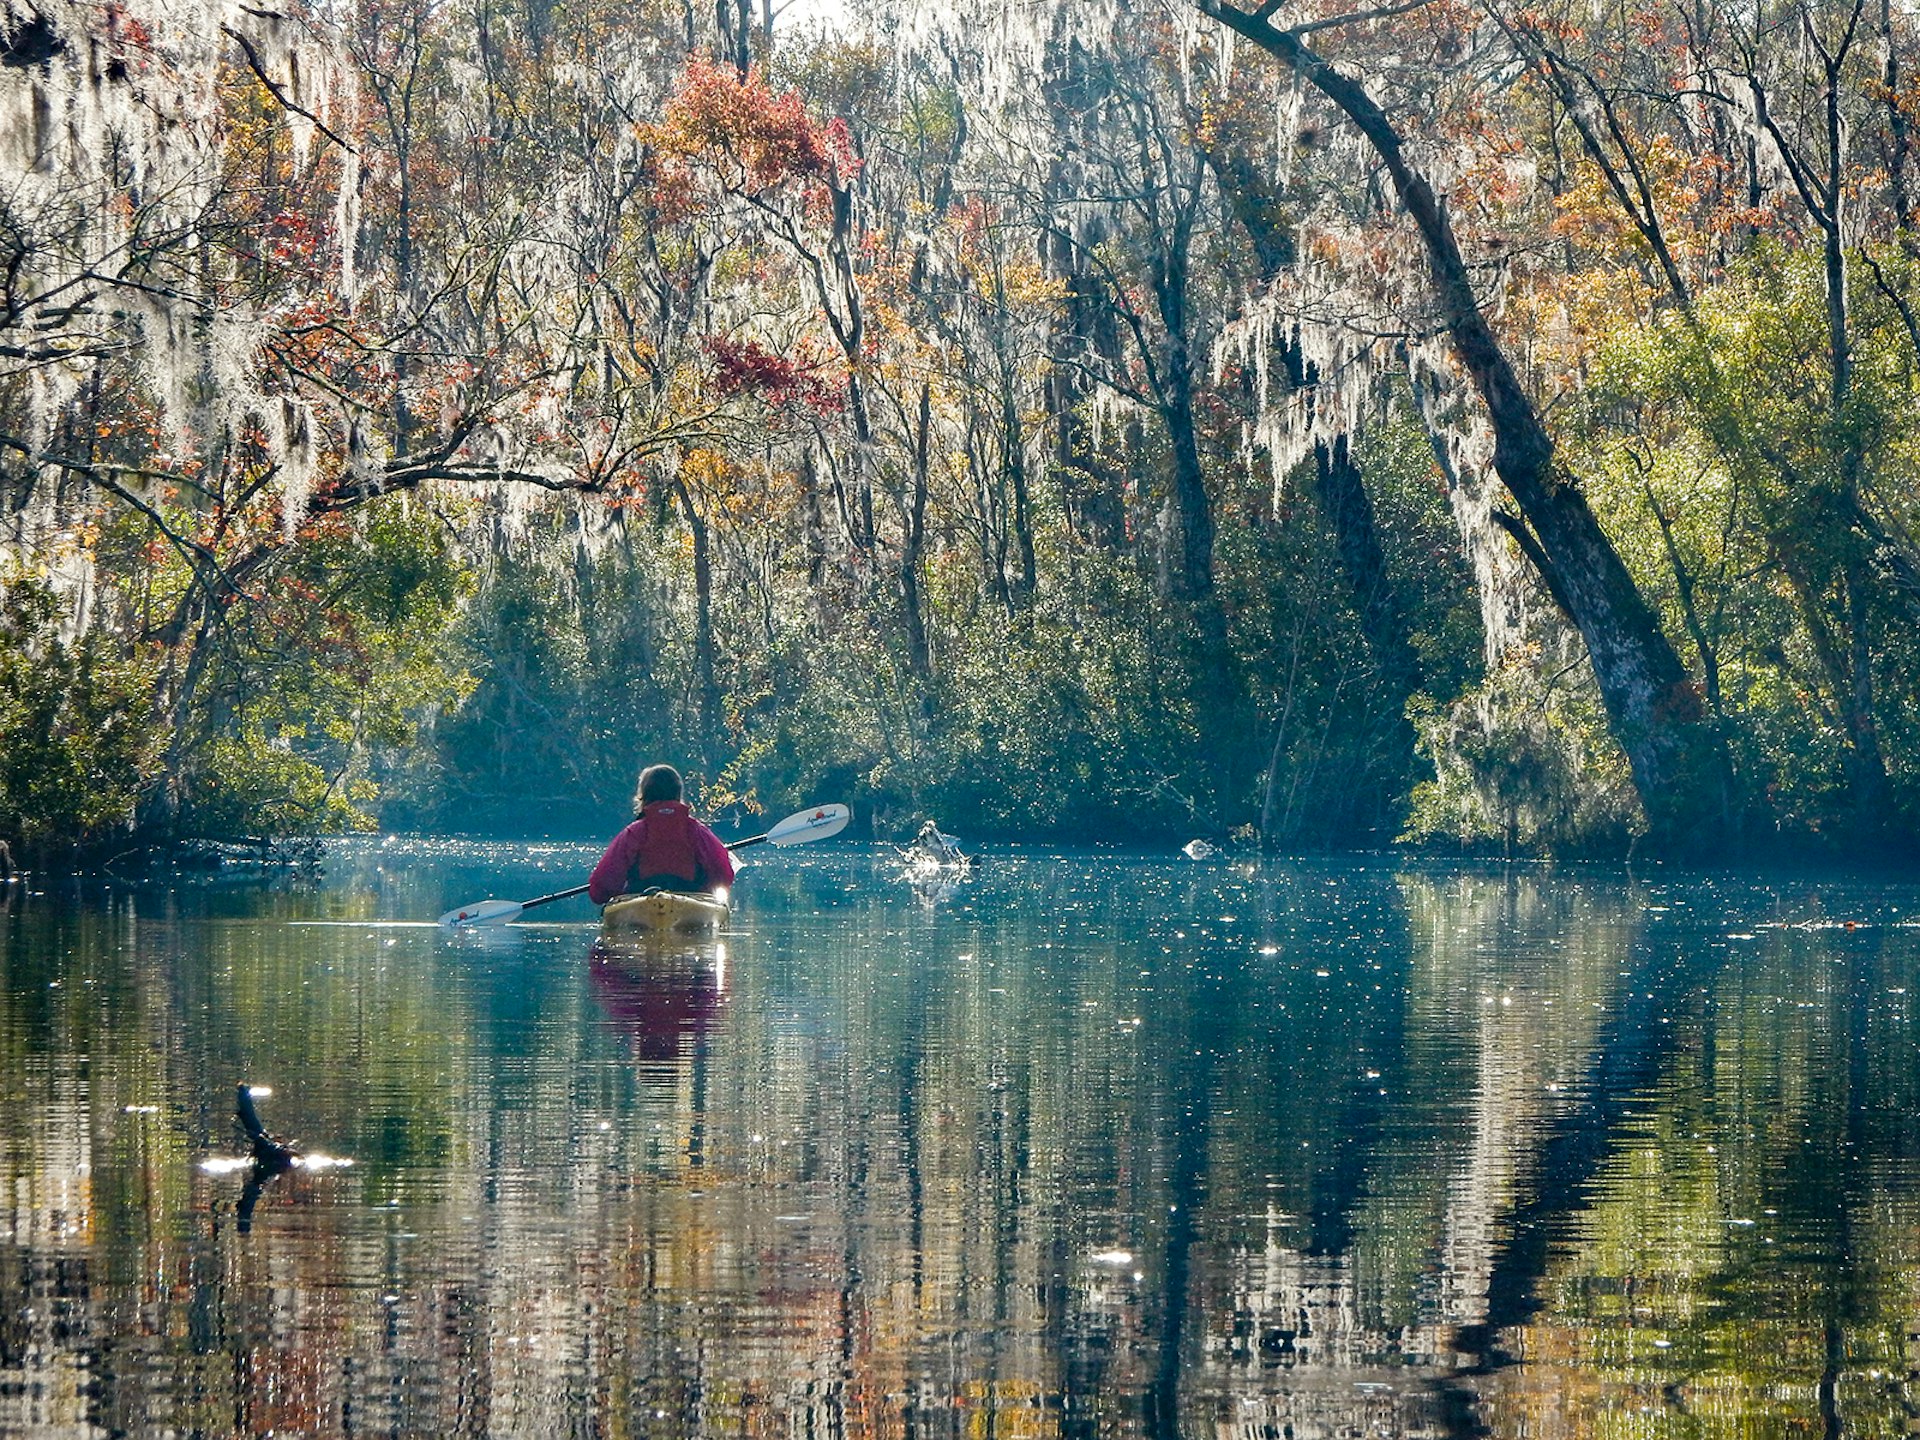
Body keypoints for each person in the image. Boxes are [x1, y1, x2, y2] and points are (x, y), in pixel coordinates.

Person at [587, 765, 736, 904]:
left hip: (641, 903)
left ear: (644, 796)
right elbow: (724, 876)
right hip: (690, 903)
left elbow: (601, 888)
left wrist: (608, 895)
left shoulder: (633, 833)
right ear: (678, 794)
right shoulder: (697, 831)